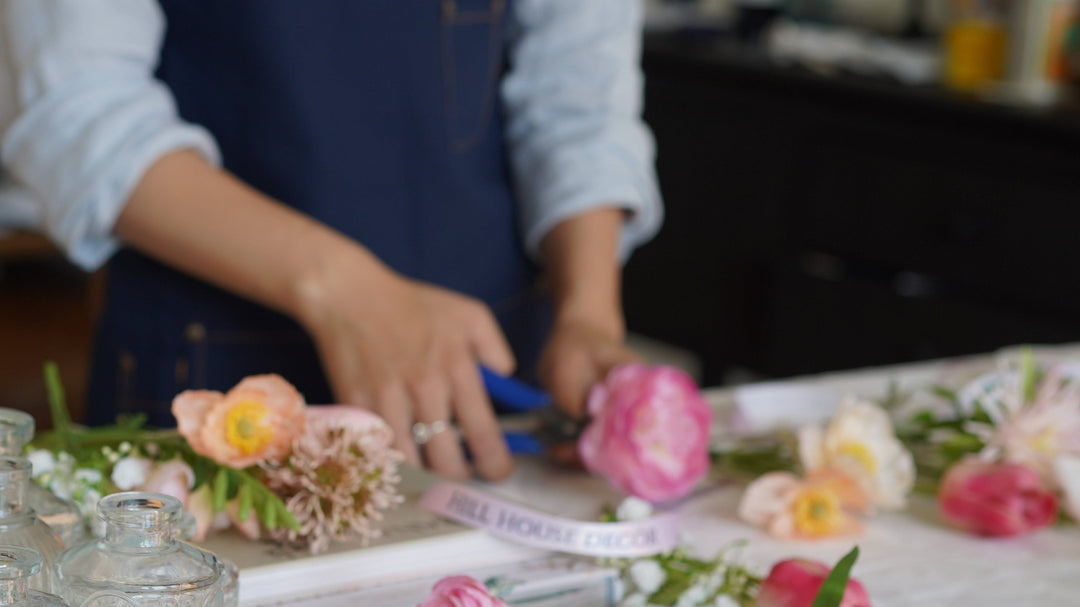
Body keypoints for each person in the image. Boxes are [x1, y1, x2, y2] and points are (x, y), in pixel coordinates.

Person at [0, 0, 662, 481]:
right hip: (211, 377)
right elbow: (75, 111)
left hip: (490, 381)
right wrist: (350, 292)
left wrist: (588, 312)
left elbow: (578, 101)